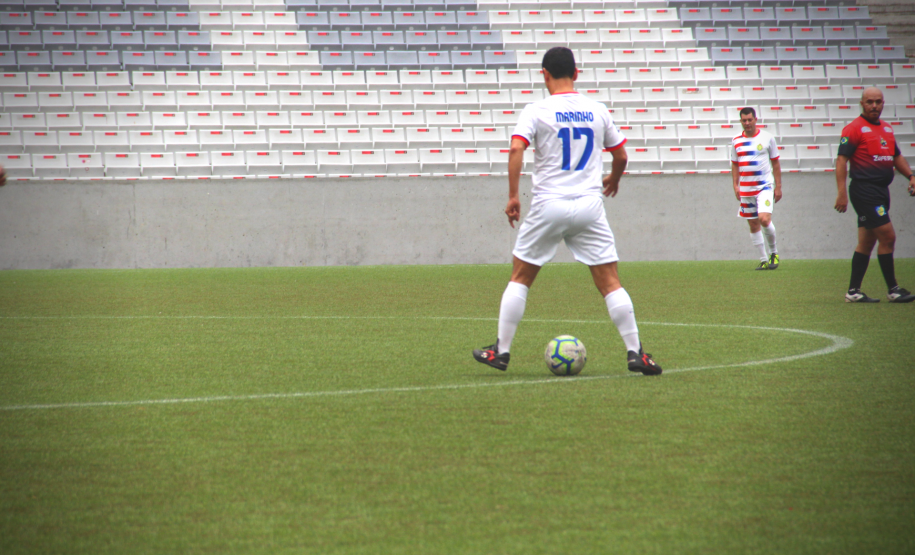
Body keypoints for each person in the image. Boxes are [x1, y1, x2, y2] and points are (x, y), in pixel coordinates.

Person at [472, 46, 662, 376]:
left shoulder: (536, 110)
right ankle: (636, 353)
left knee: (521, 277)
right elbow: (621, 155)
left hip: (549, 204)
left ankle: (501, 352)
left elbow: (517, 147)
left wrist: (514, 195)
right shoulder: (597, 110)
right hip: (589, 206)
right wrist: (613, 180)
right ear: (576, 74)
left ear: (544, 74)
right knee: (610, 282)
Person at [835, 86, 915, 303]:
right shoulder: (854, 129)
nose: (874, 106)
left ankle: (853, 291)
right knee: (888, 236)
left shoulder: (887, 130)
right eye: (869, 102)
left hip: (881, 191)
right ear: (862, 103)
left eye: (878, 101)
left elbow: (896, 157)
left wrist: (910, 175)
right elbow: (841, 160)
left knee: (867, 242)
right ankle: (893, 289)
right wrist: (841, 193)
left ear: (883, 103)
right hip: (864, 190)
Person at [730, 107, 782, 270]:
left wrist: (778, 186)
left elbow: (775, 162)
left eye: (749, 120)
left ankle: (774, 253)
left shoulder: (767, 138)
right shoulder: (736, 141)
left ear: (755, 119)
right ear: (741, 121)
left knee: (764, 219)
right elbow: (735, 164)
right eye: (744, 120)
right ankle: (763, 259)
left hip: (764, 186)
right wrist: (735, 185)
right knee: (753, 224)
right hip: (746, 189)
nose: (747, 123)